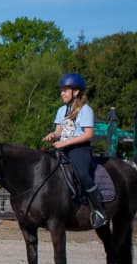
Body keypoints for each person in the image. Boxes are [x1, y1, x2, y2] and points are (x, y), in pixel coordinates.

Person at [43, 73, 107, 228]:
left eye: (65, 90)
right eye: (61, 91)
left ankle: (99, 211)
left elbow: (88, 134)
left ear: (76, 92)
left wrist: (65, 142)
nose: (62, 93)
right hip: (62, 148)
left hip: (80, 149)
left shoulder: (86, 110)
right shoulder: (61, 110)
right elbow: (59, 131)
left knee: (82, 174)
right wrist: (53, 135)